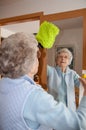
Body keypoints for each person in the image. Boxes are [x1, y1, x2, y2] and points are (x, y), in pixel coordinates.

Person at [0, 32, 86, 130]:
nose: (38, 61)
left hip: (67, 109)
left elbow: (80, 83)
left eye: (65, 57)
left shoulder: (3, 83)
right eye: (36, 57)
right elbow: (79, 124)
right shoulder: (35, 94)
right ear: (30, 62)